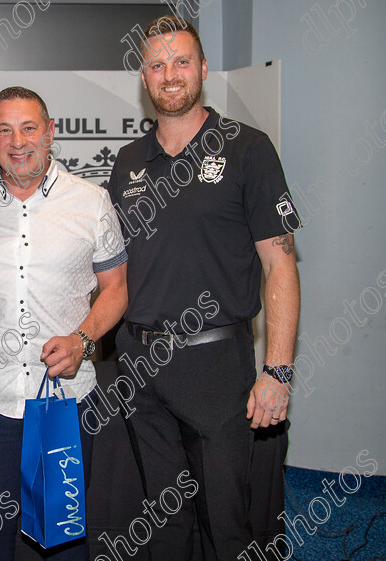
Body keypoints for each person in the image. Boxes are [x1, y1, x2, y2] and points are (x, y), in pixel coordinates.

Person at [106, 16, 301, 561]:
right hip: (140, 369)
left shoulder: (248, 149)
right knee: (163, 530)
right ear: (145, 77)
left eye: (181, 62)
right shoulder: (126, 163)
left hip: (216, 368)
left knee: (227, 527)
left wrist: (278, 370)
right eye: (157, 65)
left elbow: (280, 265)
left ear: (204, 70)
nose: (170, 75)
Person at [0, 87, 129, 560]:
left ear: (51, 132)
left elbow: (116, 289)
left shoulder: (92, 202)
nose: (18, 141)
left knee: (61, 543)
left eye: (29, 127)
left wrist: (83, 338)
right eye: (5, 130)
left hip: (64, 404)